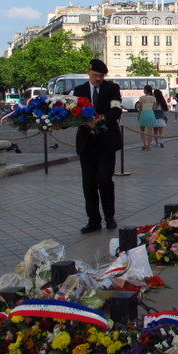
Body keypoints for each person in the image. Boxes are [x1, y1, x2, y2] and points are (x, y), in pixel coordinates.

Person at [72, 59, 123, 233]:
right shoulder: (79, 91)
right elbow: (71, 112)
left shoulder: (112, 88)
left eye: (101, 76)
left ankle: (110, 216)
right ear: (88, 73)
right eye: (95, 75)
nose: (98, 79)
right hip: (87, 143)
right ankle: (93, 220)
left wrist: (100, 119)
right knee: (89, 183)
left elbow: (116, 110)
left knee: (104, 180)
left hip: (106, 142)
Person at [137, 85, 158, 151]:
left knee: (142, 130)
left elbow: (140, 108)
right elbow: (154, 108)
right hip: (151, 113)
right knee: (150, 131)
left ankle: (144, 144)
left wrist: (138, 115)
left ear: (146, 90)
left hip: (143, 113)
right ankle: (149, 145)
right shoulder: (153, 98)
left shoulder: (142, 98)